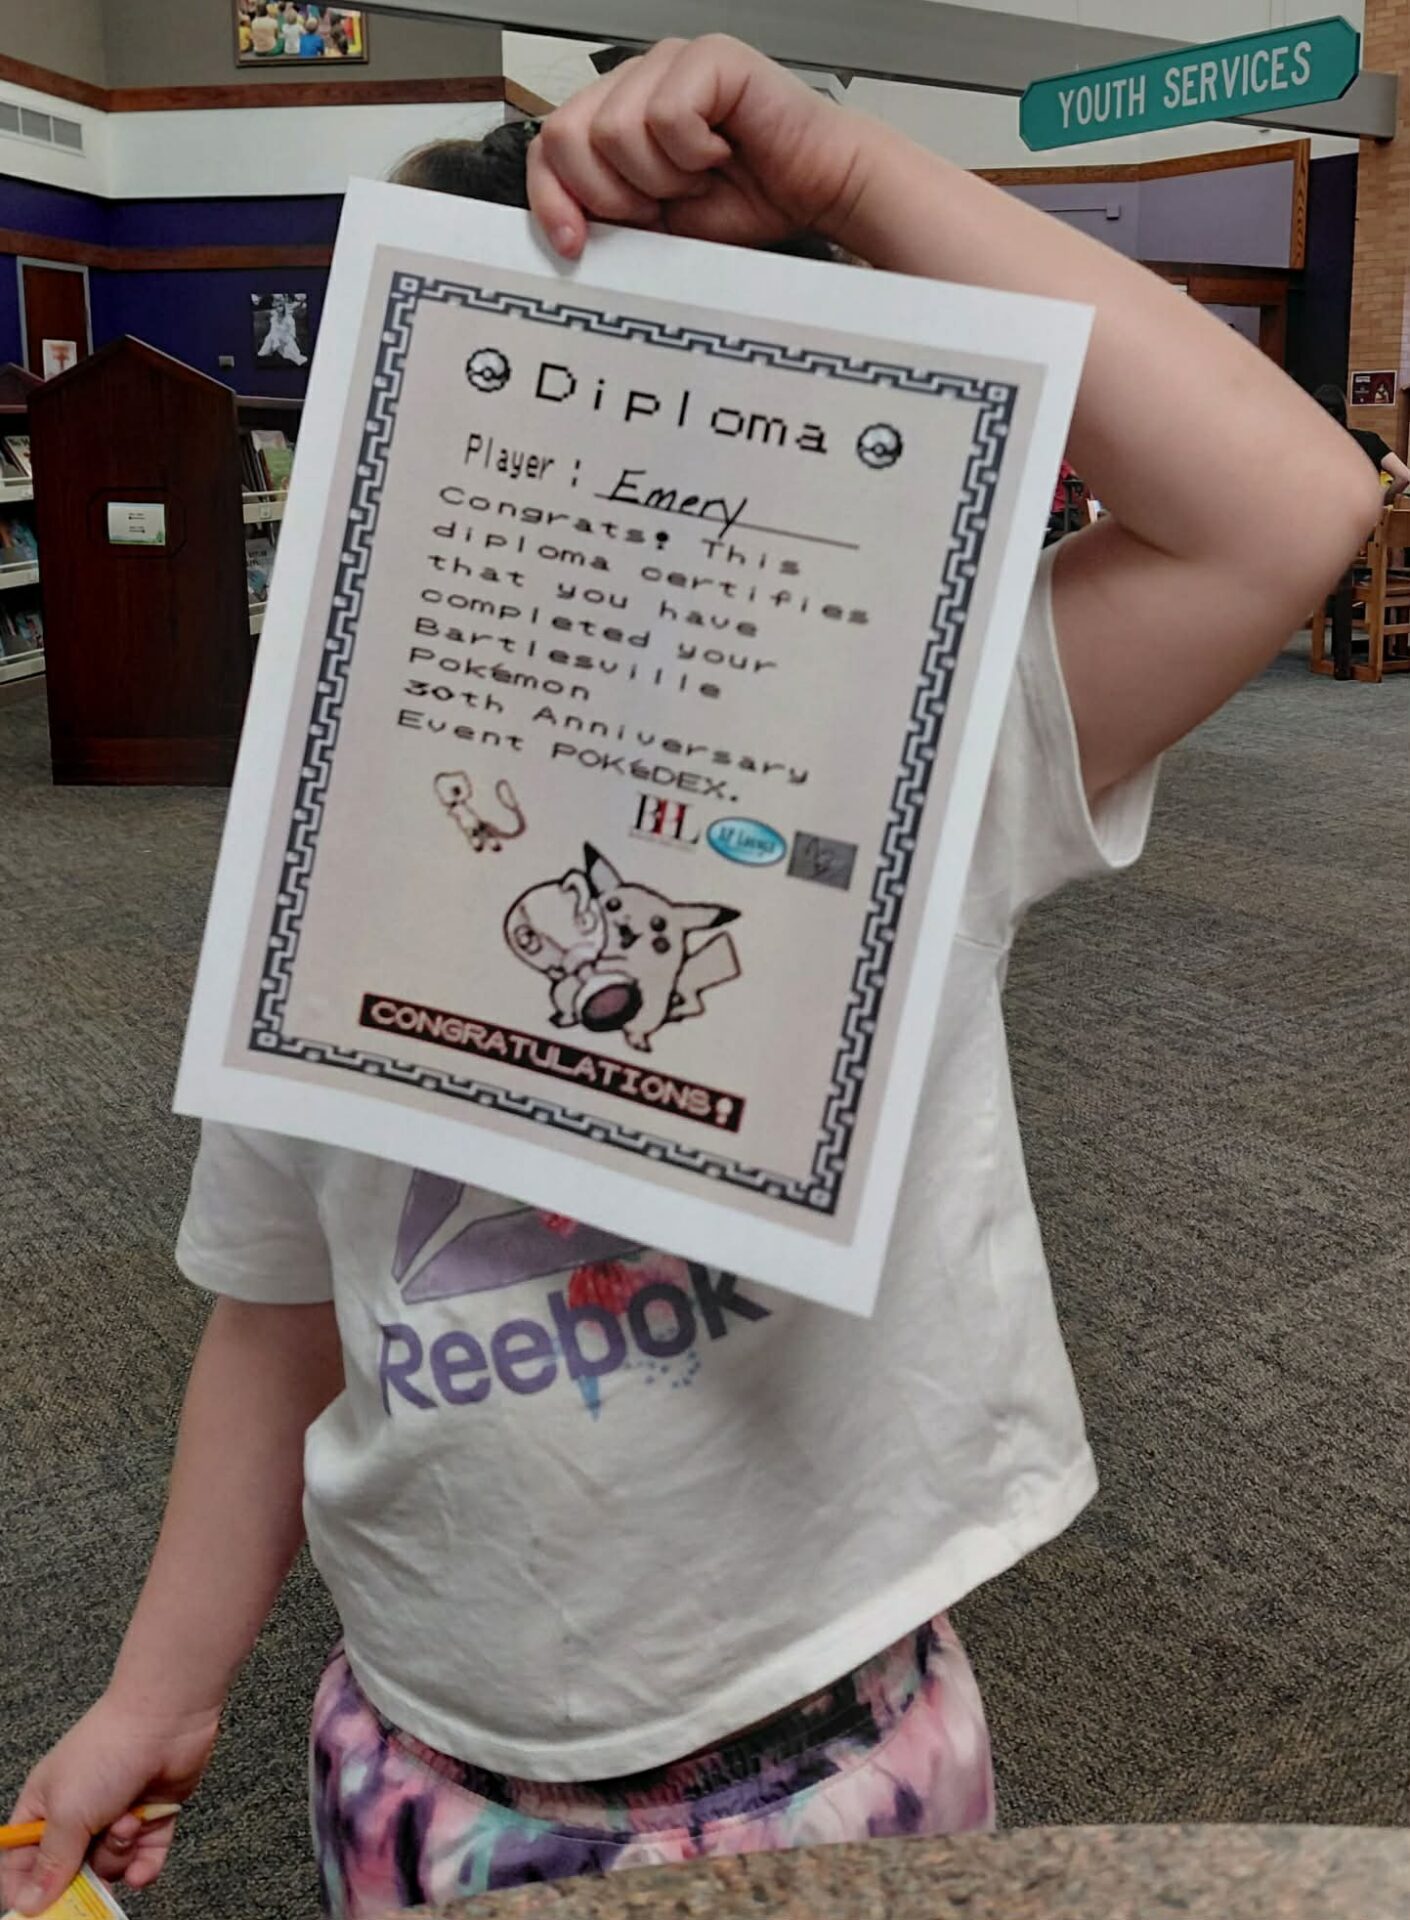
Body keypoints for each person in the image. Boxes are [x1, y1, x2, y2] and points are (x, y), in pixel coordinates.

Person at [2, 38, 1378, 1920]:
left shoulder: (927, 753)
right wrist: (156, 1693)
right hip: (422, 1751)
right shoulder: (337, 849)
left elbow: (1287, 503)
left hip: (826, 1756)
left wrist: (844, 176)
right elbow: (274, 1308)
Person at [1314, 383, 1410, 499]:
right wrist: (1383, 499)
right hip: (1364, 508)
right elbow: (1404, 476)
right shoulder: (1369, 440)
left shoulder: (1310, 446)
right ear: (1344, 411)